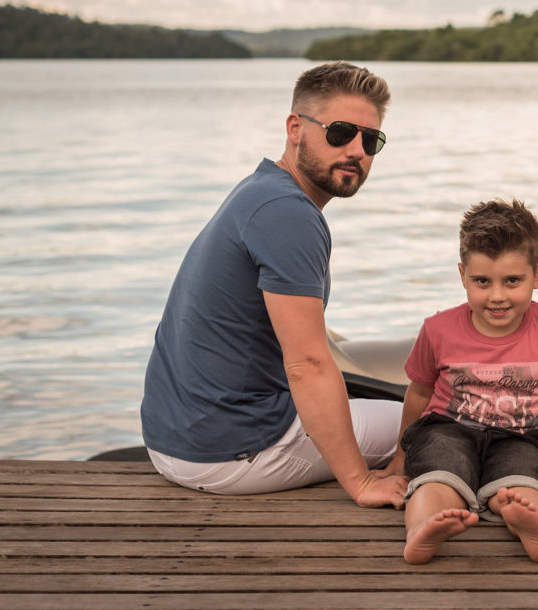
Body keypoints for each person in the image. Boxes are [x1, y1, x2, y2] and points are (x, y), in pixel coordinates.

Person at [140, 61, 407, 507]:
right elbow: (306, 365)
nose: (357, 150)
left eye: (371, 139)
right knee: (433, 421)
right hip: (233, 450)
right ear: (295, 127)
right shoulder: (290, 213)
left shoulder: (260, 189)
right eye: (340, 132)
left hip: (173, 441)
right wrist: (361, 483)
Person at [385, 199, 538, 564]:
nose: (497, 296)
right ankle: (423, 527)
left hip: (522, 436)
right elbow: (419, 394)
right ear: (462, 274)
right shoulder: (438, 329)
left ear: (537, 274)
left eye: (512, 280)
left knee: (522, 483)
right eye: (481, 281)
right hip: (448, 429)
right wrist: (399, 459)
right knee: (438, 475)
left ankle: (532, 526)